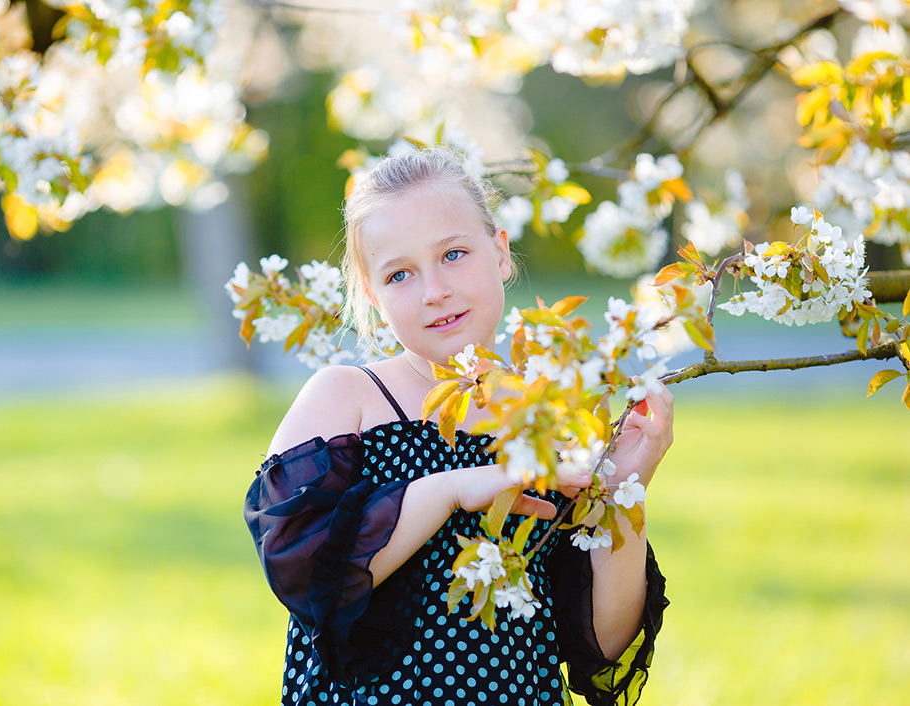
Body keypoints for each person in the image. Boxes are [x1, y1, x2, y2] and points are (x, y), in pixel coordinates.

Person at [244, 147, 674, 706]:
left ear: (499, 252)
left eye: (453, 254)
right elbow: (306, 577)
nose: (434, 291)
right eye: (400, 274)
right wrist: (450, 488)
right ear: (373, 297)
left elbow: (602, 643)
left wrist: (621, 493)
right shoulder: (347, 399)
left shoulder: (548, 416)